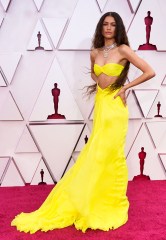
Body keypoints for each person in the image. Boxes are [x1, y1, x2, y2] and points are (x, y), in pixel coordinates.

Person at [11, 12, 155, 234]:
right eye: (105, 24)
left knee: (110, 155)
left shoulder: (123, 50)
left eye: (113, 25)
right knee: (96, 155)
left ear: (118, 28)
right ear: (101, 28)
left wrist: (124, 87)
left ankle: (110, 202)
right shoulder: (95, 52)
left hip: (116, 109)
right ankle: (91, 198)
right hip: (101, 107)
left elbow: (150, 71)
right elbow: (95, 76)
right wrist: (102, 83)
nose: (109, 28)